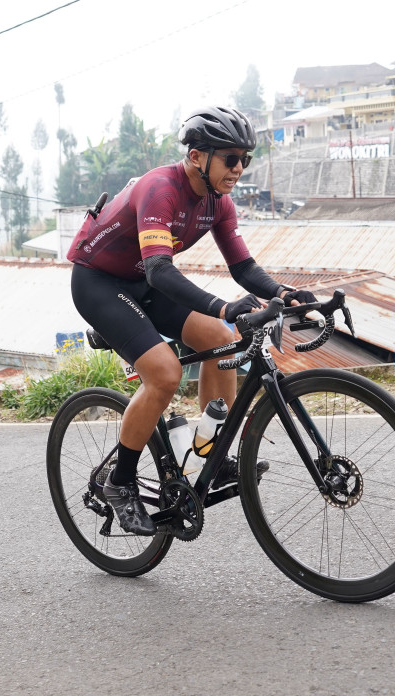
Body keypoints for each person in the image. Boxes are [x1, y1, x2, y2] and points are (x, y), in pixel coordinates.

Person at [66, 106, 315, 535]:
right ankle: (120, 482)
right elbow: (160, 270)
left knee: (221, 338)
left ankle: (208, 455)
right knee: (165, 374)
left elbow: (243, 267)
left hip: (142, 281)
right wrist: (224, 305)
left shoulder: (218, 202)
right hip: (99, 283)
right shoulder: (160, 189)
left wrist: (282, 292)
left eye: (245, 159)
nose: (239, 168)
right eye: (230, 158)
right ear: (198, 156)